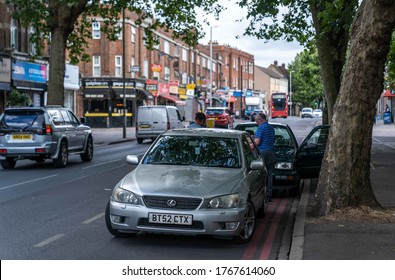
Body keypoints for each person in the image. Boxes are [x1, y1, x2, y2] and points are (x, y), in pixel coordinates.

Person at [253, 112, 276, 202]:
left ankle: (261, 195)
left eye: (256, 120)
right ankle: (269, 195)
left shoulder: (261, 127)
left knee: (260, 175)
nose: (256, 122)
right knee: (270, 175)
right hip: (271, 153)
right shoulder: (271, 128)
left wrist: (252, 141)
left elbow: (257, 142)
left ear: (260, 119)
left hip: (263, 153)